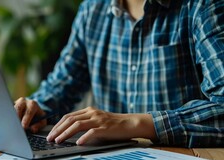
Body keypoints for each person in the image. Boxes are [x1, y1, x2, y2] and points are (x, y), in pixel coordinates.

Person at [14, 0, 224, 148]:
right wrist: (32, 111)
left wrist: (133, 123)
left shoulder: (202, 6)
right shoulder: (92, 11)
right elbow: (59, 88)